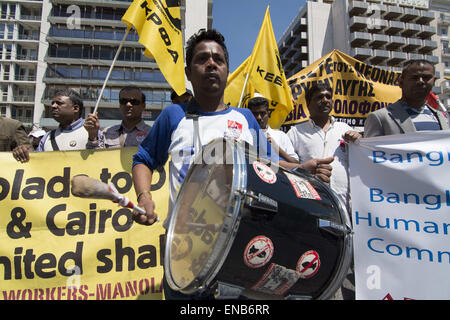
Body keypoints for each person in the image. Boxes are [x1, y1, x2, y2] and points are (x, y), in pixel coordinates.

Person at [131, 29, 332, 299]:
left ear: (226, 70)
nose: (211, 64)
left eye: (218, 59)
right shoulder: (173, 116)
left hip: (240, 248)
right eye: (202, 59)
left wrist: (300, 169)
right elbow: (143, 160)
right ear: (189, 73)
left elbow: (269, 168)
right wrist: (145, 197)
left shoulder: (246, 118)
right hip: (184, 252)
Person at [287, 82, 361, 301]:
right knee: (316, 266)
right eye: (319, 97)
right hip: (311, 211)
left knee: (345, 267)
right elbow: (286, 166)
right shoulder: (296, 132)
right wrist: (306, 171)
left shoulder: (345, 130)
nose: (325, 100)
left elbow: (362, 164)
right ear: (309, 104)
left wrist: (359, 142)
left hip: (345, 212)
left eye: (328, 96)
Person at [364, 59, 449, 137]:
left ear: (433, 81)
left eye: (426, 78)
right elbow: (371, 151)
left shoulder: (443, 118)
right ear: (401, 82)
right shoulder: (380, 118)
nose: (421, 81)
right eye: (414, 78)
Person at [12, 89, 88, 162]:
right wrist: (22, 153)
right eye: (52, 103)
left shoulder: (92, 133)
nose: (53, 106)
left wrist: (93, 139)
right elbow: (37, 163)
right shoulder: (47, 137)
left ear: (75, 108)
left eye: (59, 103)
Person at [84, 86, 151, 148]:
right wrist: (92, 135)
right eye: (123, 101)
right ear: (119, 105)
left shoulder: (153, 134)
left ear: (143, 106)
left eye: (134, 102)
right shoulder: (106, 132)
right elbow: (95, 157)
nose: (128, 104)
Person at [248, 95, 299, 164]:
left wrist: (277, 149)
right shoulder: (244, 135)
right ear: (249, 114)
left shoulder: (281, 136)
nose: (259, 117)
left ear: (268, 114)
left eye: (262, 113)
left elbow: (295, 164)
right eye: (255, 114)